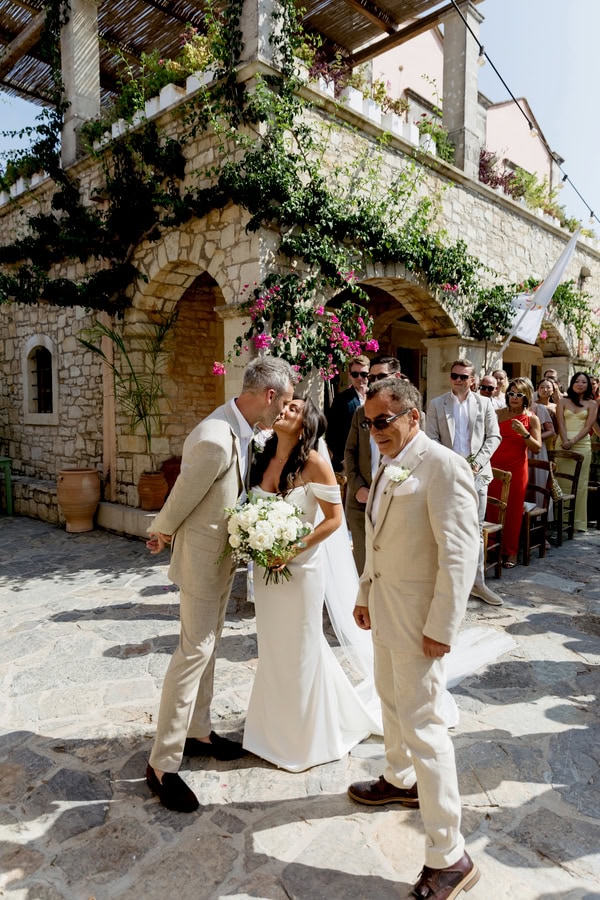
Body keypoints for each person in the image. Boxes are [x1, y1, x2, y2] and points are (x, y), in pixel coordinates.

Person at [348, 378, 481, 900]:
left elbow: (459, 555)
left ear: (413, 417)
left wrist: (442, 627)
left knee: (425, 726)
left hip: (420, 622)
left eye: (384, 420)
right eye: (368, 420)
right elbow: (377, 541)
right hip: (386, 610)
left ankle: (450, 856)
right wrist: (363, 593)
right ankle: (400, 779)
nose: (375, 430)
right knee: (389, 703)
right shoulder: (388, 464)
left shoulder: (444, 467)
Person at [145, 356, 295, 812]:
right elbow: (182, 495)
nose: (283, 411)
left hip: (220, 560)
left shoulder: (243, 429)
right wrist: (161, 530)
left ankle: (198, 731)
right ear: (268, 395)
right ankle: (161, 764)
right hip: (201, 564)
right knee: (193, 652)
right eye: (283, 401)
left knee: (206, 648)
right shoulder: (215, 437)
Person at [243, 396, 381, 771]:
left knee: (301, 648)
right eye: (284, 406)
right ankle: (269, 733)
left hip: (300, 571)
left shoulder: (315, 463)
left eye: (292, 409)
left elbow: (334, 520)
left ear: (305, 425)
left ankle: (304, 740)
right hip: (266, 568)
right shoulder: (261, 454)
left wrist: (291, 549)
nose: (283, 410)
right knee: (272, 647)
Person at [426, 358, 503, 606]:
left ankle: (478, 583)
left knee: (476, 529)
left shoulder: (484, 403)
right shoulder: (437, 404)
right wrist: (455, 464)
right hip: (448, 475)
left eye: (463, 376)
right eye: (454, 375)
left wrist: (477, 463)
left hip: (478, 475)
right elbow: (431, 439)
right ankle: (447, 583)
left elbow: (494, 436)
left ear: (473, 379)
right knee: (445, 527)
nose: (458, 380)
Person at [344, 356, 403, 574]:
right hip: (360, 500)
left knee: (389, 563)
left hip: (393, 501)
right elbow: (349, 451)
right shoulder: (361, 412)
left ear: (396, 377)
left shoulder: (411, 415)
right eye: (372, 376)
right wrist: (357, 486)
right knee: (362, 561)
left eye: (381, 376)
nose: (374, 381)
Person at [489, 377, 542, 567]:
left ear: (526, 397)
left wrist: (524, 433)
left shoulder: (532, 418)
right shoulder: (496, 414)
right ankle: (491, 548)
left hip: (517, 469)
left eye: (519, 394)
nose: (514, 397)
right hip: (493, 466)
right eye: (511, 393)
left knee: (512, 510)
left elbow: (536, 447)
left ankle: (510, 552)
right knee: (492, 507)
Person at [555, 372, 596, 532]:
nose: (580, 384)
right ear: (572, 383)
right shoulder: (563, 401)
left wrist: (573, 441)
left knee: (580, 484)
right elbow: (561, 423)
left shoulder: (592, 404)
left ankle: (577, 522)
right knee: (560, 482)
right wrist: (565, 441)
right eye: (577, 381)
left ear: (588, 385)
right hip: (562, 443)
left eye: (584, 382)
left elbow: (588, 427)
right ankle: (559, 519)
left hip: (582, 445)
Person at [325, 355, 370, 473]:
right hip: (350, 462)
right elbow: (332, 434)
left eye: (364, 374)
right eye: (355, 374)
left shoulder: (375, 396)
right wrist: (342, 460)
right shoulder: (341, 400)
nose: (360, 378)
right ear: (350, 375)